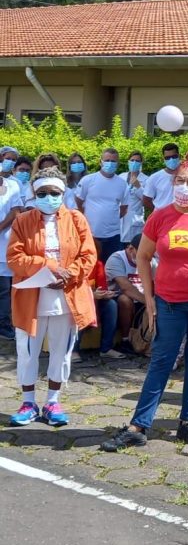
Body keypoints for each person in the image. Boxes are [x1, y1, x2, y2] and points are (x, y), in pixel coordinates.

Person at [100, 153, 188, 451]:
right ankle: (139, 426)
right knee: (161, 360)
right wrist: (149, 299)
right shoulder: (160, 216)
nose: (184, 186)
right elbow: (143, 257)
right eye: (179, 181)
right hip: (170, 302)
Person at [7, 168, 98, 427]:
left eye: (54, 192)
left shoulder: (77, 219)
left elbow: (88, 255)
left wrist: (69, 274)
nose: (49, 197)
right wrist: (48, 266)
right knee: (27, 352)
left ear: (63, 192)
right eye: (43, 193)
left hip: (66, 298)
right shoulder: (22, 221)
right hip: (30, 298)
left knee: (61, 352)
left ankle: (53, 402)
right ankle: (28, 403)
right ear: (34, 194)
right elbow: (15, 257)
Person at [76, 147, 129, 262]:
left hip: (113, 236)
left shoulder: (122, 184)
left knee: (112, 267)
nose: (110, 163)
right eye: (107, 160)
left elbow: (124, 208)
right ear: (100, 162)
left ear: (118, 163)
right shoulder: (88, 180)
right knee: (91, 266)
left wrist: (110, 219)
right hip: (91, 234)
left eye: (113, 161)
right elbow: (78, 202)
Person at [0, 153, 24, 341]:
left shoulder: (13, 185)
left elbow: (16, 211)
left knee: (5, 289)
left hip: (6, 244)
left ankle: (4, 324)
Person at [106, 235, 145, 347]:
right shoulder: (116, 259)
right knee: (125, 299)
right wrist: (149, 302)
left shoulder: (150, 259)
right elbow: (125, 288)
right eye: (141, 253)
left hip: (141, 299)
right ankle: (125, 340)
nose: (146, 256)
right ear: (131, 248)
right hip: (118, 299)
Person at [120, 150, 148, 245]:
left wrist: (138, 186)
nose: (134, 163)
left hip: (134, 220)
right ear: (128, 162)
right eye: (132, 160)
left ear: (141, 163)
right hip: (119, 219)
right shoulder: (121, 177)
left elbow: (146, 201)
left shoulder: (146, 179)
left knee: (132, 248)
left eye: (137, 161)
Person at [143, 142, 181, 211]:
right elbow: (146, 200)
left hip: (182, 216)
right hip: (162, 216)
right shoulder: (154, 178)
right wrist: (158, 213)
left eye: (174, 156)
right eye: (167, 158)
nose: (171, 159)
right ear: (163, 159)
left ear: (179, 156)